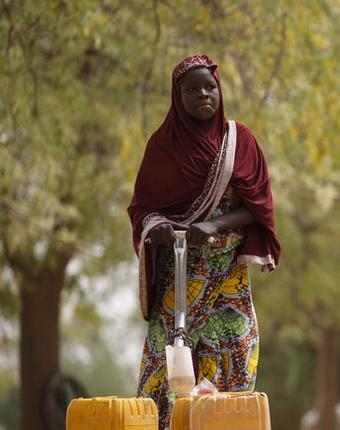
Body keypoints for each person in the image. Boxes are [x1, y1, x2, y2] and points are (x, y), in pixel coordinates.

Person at [128, 54, 280, 429]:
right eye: (192, 89)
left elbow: (259, 205)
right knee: (170, 361)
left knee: (235, 351)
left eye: (209, 87)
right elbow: (141, 208)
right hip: (179, 274)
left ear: (220, 91)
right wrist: (158, 226)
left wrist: (216, 225)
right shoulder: (161, 147)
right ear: (177, 95)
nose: (203, 95)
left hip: (228, 274)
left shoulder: (238, 140)